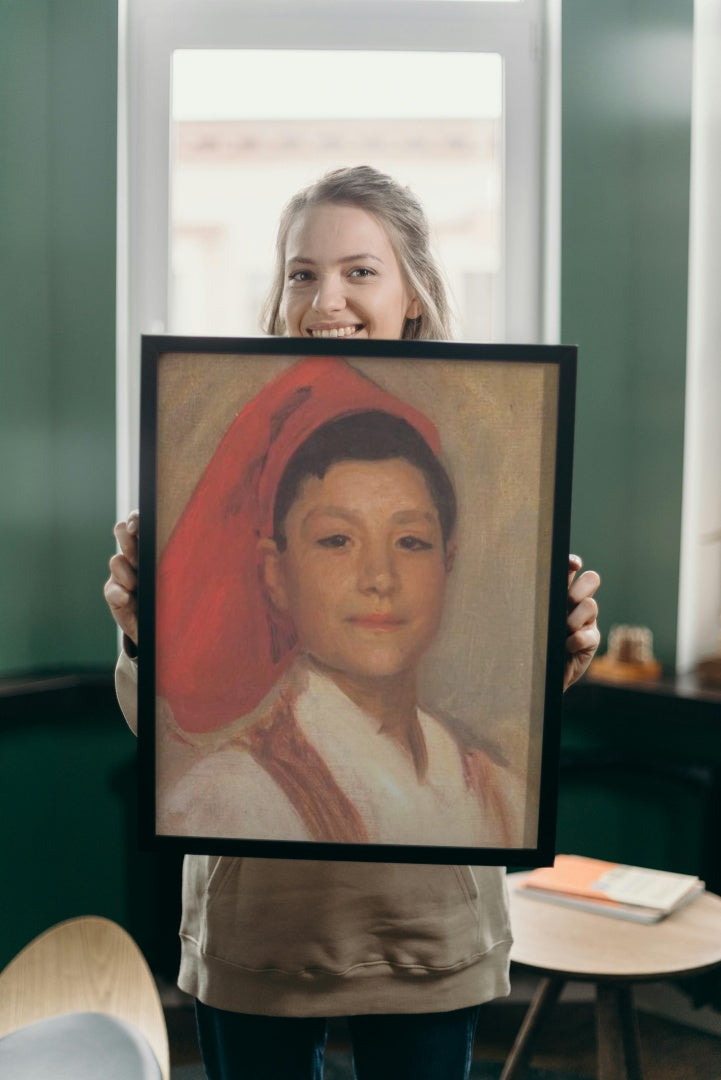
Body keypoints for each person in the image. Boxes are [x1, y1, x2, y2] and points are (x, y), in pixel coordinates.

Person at [105, 166, 601, 1080]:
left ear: (413, 291)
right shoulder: (230, 786)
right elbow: (165, 732)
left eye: (358, 271)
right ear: (275, 569)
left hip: (427, 927)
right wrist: (145, 634)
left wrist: (556, 652)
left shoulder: (479, 783)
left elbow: (521, 721)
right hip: (264, 928)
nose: (325, 298)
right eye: (301, 273)